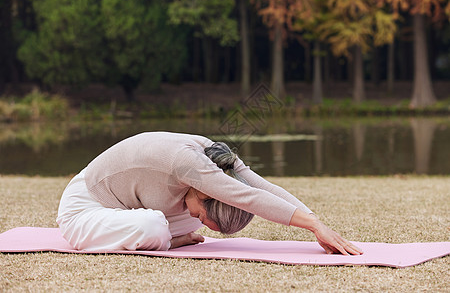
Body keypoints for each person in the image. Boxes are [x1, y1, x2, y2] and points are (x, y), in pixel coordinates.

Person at [57, 131, 362, 255]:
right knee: (151, 226)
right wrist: (313, 228)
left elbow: (262, 187)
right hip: (87, 206)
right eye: (202, 212)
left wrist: (316, 220)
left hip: (133, 204)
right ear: (206, 192)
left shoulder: (219, 157)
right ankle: (170, 240)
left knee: (168, 222)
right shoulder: (190, 165)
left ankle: (168, 237)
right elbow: (250, 199)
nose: (196, 217)